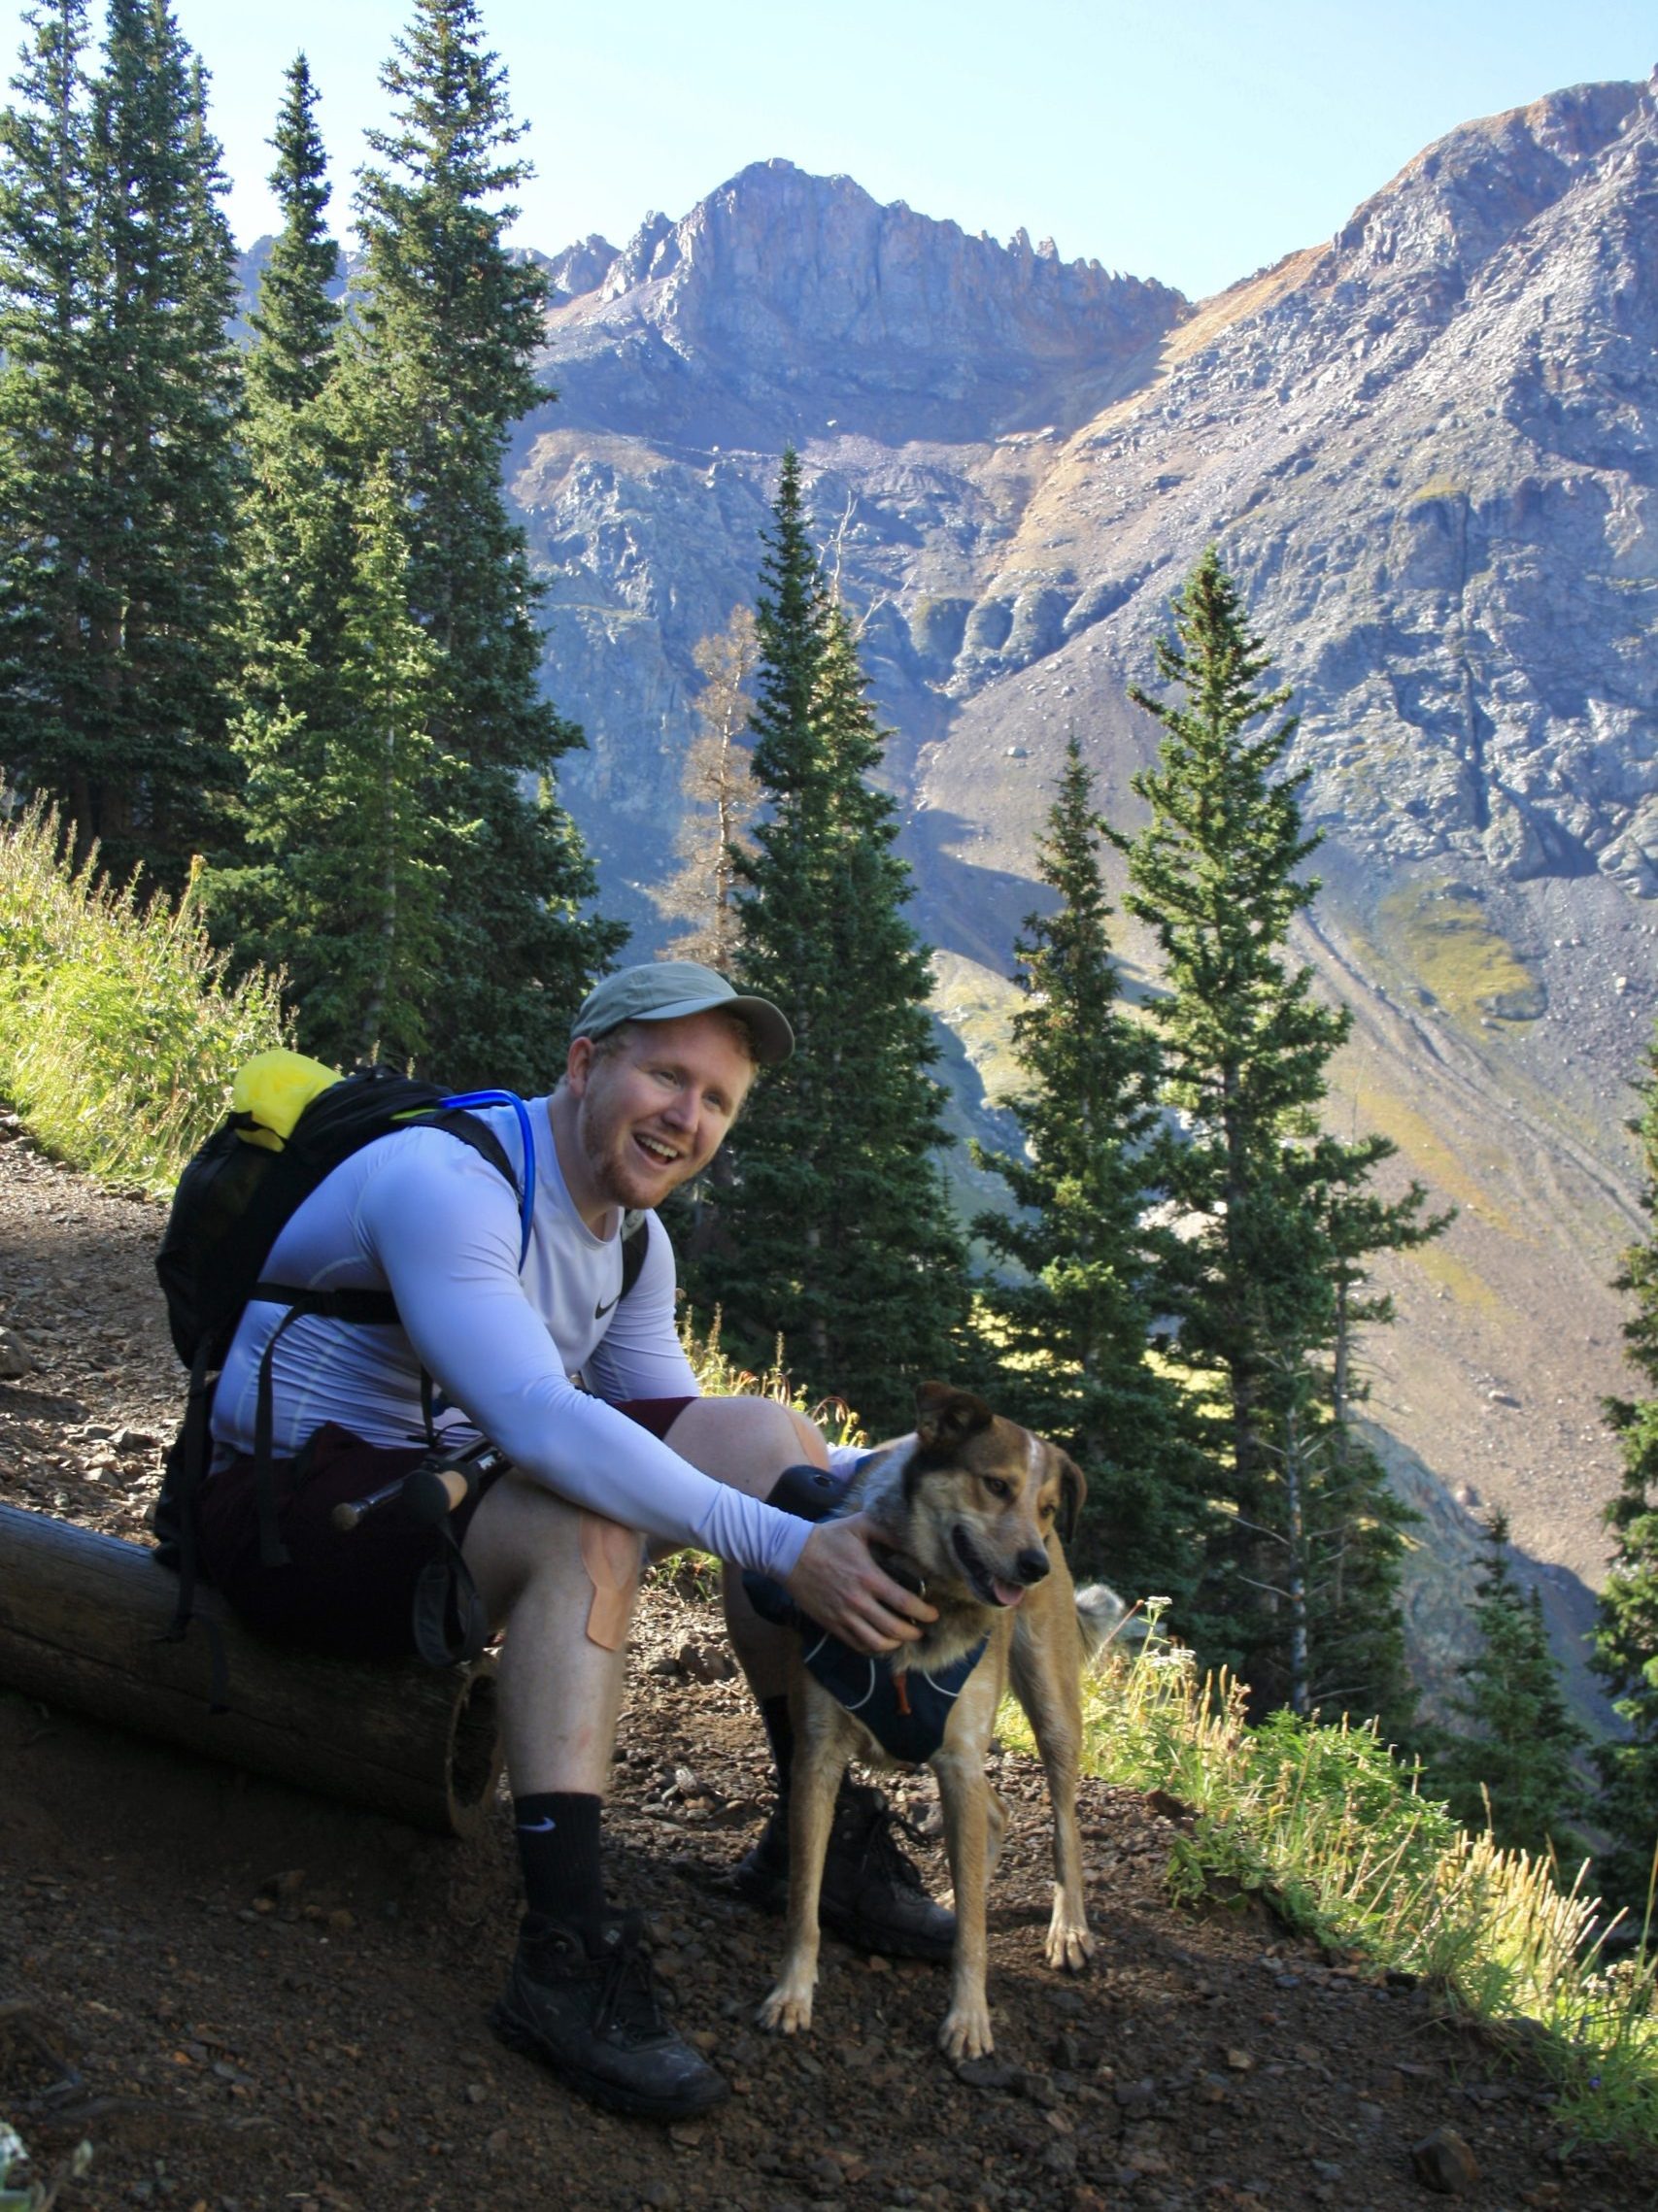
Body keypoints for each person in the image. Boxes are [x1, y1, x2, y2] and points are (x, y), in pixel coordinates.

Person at [194, 961, 952, 2121]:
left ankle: (819, 1833)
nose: (686, 1117)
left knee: (766, 1434)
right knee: (583, 1507)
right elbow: (544, 1424)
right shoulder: (449, 1181)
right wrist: (791, 1548)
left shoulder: (633, 1238)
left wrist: (882, 1485)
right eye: (667, 1075)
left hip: (426, 1500)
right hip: (286, 1524)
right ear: (585, 1061)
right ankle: (563, 1953)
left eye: (716, 1101)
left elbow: (686, 1435)